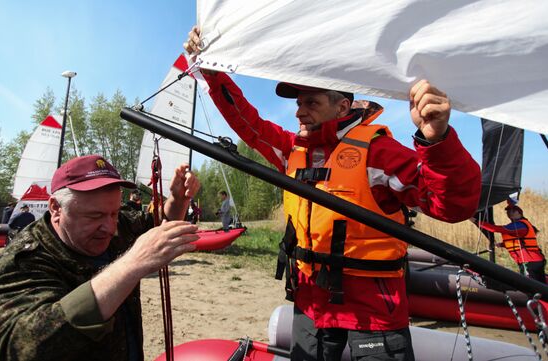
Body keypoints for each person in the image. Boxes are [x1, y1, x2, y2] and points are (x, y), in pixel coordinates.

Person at [185, 27, 481, 361]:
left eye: (311, 102)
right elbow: (249, 124)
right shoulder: (291, 149)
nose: (299, 112)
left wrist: (437, 139)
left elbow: (451, 205)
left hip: (373, 316)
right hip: (309, 308)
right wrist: (212, 73)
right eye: (299, 103)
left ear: (342, 107)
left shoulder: (379, 152)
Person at [0, 154, 200, 360]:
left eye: (114, 213)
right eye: (94, 216)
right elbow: (21, 348)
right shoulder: (24, 259)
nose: (110, 227)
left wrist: (178, 199)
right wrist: (132, 264)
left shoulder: (117, 223)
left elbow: (158, 225)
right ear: (56, 208)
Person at [476, 203, 546, 284]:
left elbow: (494, 229)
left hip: (529, 262)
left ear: (519, 213)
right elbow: (519, 242)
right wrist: (502, 244)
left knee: (530, 286)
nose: (510, 212)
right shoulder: (518, 225)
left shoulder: (520, 225)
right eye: (508, 211)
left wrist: (477, 221)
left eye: (513, 211)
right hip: (535, 260)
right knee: (540, 284)